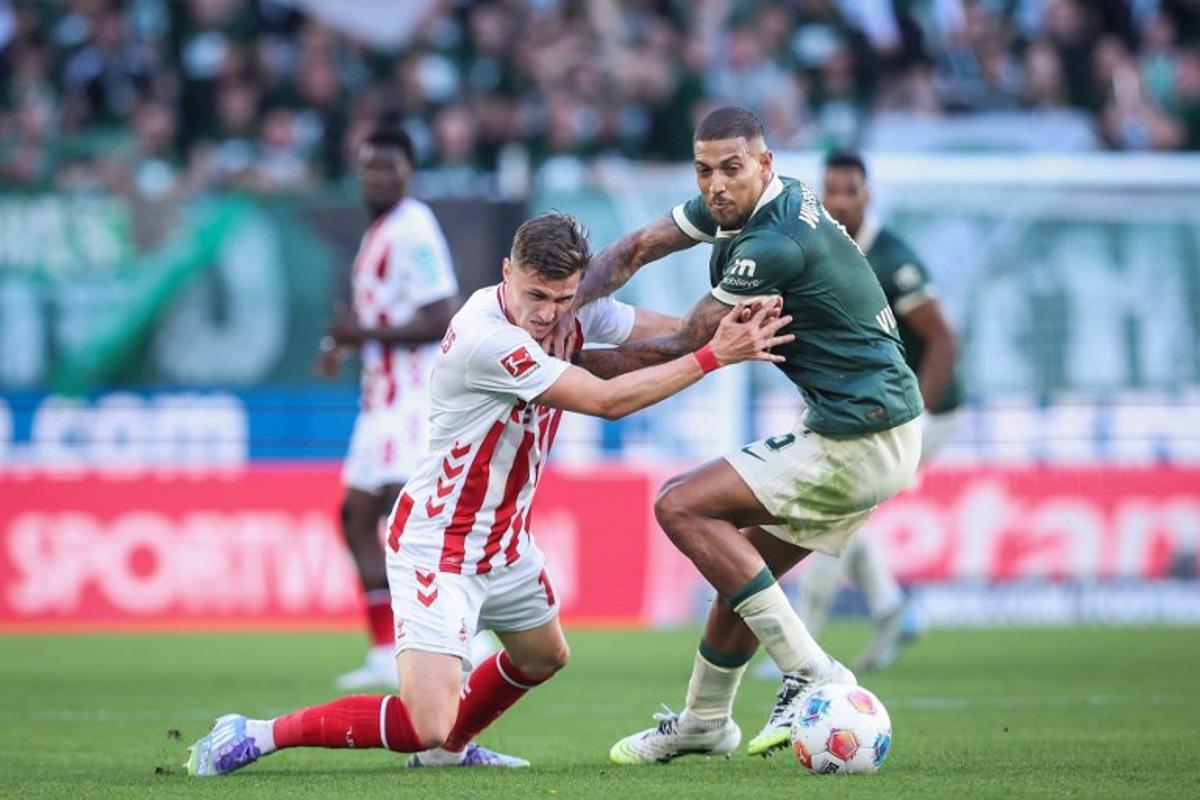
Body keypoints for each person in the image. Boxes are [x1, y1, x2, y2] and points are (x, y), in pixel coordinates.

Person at [185, 211, 792, 776]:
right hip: (437, 545)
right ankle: (258, 732)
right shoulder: (485, 337)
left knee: (543, 656)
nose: (548, 314)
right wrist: (714, 357)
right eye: (535, 296)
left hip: (503, 543)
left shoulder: (568, 307)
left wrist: (718, 326)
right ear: (508, 273)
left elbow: (668, 331)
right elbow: (607, 402)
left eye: (562, 299)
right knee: (424, 719)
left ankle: (449, 756)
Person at [551, 106, 924, 763]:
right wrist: (563, 307)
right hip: (871, 429)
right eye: (704, 171)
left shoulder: (771, 243)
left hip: (860, 436)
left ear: (765, 165)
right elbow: (635, 247)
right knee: (740, 573)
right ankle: (703, 722)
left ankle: (812, 671)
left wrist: (559, 358)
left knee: (680, 503)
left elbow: (686, 346)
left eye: (731, 169)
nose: (716, 185)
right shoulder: (742, 207)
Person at [314, 123, 493, 690]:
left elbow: (442, 313)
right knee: (356, 518)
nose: (378, 177)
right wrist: (344, 342)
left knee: (407, 519)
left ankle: (468, 636)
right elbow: (375, 319)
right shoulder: (378, 234)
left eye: (389, 168)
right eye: (370, 167)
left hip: (412, 398)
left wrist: (360, 331)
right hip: (378, 402)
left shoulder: (412, 226)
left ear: (409, 174)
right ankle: (384, 646)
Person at [788, 150, 962, 673]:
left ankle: (802, 648)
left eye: (850, 191)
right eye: (831, 190)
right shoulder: (824, 248)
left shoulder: (891, 259)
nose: (840, 201)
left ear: (868, 196)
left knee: (834, 505)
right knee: (846, 506)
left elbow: (945, 343)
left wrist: (920, 418)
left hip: (922, 410)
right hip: (870, 406)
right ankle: (888, 606)